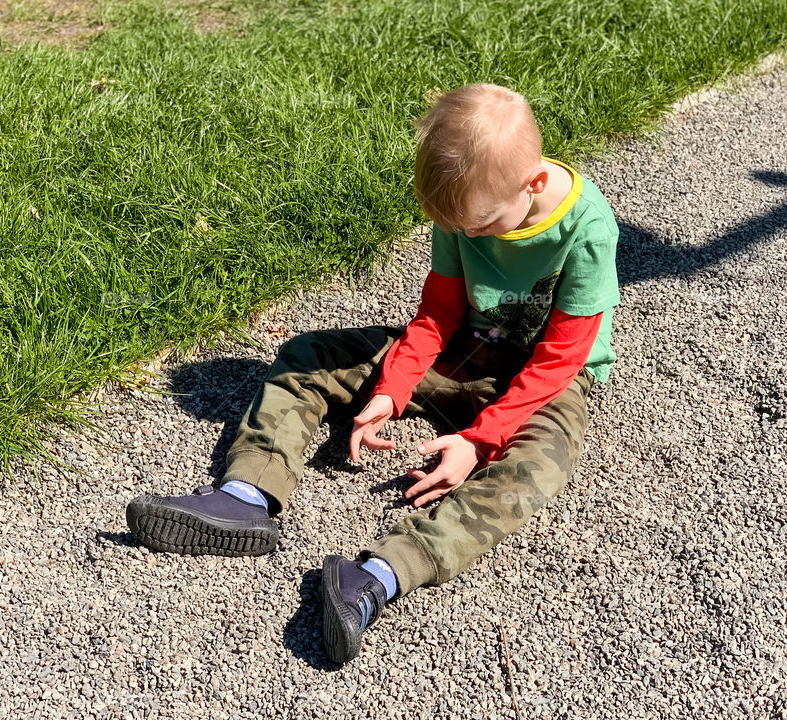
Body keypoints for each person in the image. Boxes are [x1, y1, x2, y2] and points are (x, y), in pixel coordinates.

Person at [126, 82, 621, 664]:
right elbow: (438, 314)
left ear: (533, 183)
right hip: (461, 348)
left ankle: (379, 576)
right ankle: (247, 495)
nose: (470, 235)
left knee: (536, 472)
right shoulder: (465, 206)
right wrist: (393, 389)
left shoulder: (588, 228)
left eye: (482, 226)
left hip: (544, 378)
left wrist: (478, 441)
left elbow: (559, 358)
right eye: (459, 227)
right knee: (309, 356)